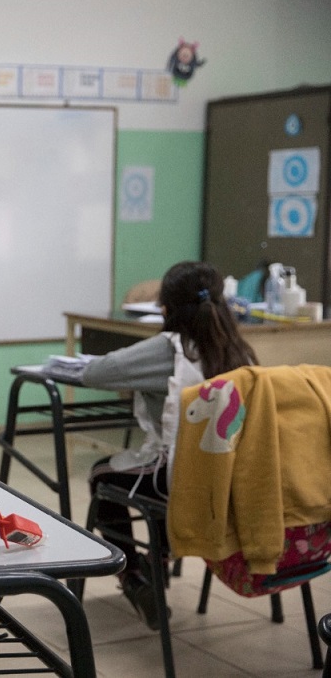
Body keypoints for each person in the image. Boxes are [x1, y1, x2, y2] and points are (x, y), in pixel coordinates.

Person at [82, 260, 257, 630]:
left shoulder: (169, 350)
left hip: (177, 482)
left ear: (166, 308)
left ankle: (134, 576)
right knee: (167, 470)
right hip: (230, 481)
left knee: (103, 475)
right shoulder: (237, 348)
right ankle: (158, 562)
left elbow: (95, 372)